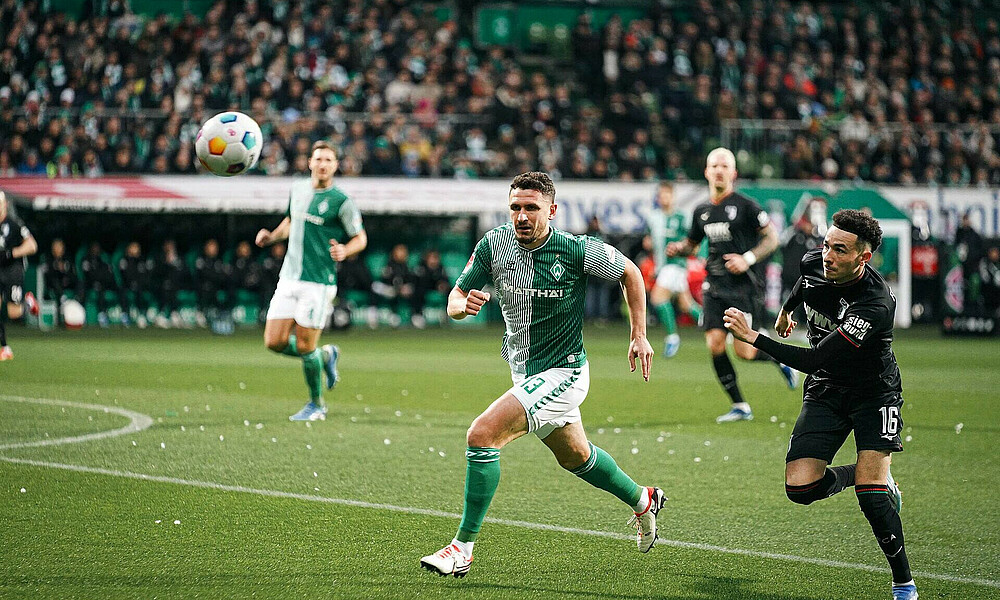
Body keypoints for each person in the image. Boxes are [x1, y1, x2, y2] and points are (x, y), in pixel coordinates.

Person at [420, 172, 663, 578]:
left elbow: (631, 274)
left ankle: (461, 548)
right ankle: (644, 499)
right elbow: (455, 297)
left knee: (482, 435)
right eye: (515, 207)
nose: (522, 216)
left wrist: (639, 335)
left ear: (551, 210)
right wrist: (462, 308)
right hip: (525, 373)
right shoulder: (493, 245)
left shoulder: (576, 250)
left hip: (564, 372)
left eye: (531, 207)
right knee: (577, 458)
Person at [722, 209, 917, 600]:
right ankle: (862, 475)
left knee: (872, 498)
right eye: (827, 244)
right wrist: (785, 312)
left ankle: (903, 583)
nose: (827, 254)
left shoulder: (874, 303)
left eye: (839, 250)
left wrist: (753, 336)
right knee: (800, 487)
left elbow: (811, 360)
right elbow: (803, 284)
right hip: (827, 389)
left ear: (863, 258)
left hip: (873, 393)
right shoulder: (815, 260)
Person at [667, 147, 797, 423]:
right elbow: (692, 245)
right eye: (714, 165)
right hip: (714, 286)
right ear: (706, 172)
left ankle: (779, 358)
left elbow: (772, 239)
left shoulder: (747, 206)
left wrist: (747, 258)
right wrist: (678, 249)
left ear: (734, 173)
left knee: (745, 351)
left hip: (743, 287)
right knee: (714, 343)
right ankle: (740, 405)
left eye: (724, 166)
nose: (718, 170)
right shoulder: (701, 211)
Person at [255, 141, 367, 422]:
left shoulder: (342, 201)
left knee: (305, 346)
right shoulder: (298, 189)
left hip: (318, 283)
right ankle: (326, 356)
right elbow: (291, 222)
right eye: (318, 159)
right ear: (309, 163)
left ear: (335, 166)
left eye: (328, 160)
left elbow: (360, 238)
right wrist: (271, 236)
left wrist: (345, 250)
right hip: (289, 277)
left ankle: (316, 405)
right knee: (273, 342)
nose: (323, 164)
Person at [648, 181, 702, 357]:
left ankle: (672, 337)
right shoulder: (654, 217)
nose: (664, 198)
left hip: (676, 265)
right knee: (686, 305)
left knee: (657, 298)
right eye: (661, 194)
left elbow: (694, 241)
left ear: (673, 196)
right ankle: (717, 324)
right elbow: (653, 240)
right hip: (663, 266)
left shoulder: (681, 217)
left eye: (667, 194)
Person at [0, 191, 38, 360]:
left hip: (12, 270)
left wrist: (12, 253)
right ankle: (5, 348)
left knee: (14, 313)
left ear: (5, 205)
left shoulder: (14, 224)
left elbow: (32, 245)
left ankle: (28, 302)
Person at [80, 241, 117, 328]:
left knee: (102, 288)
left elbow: (107, 274)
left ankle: (102, 315)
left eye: (97, 247)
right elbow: (87, 275)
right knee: (82, 287)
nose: (96, 249)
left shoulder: (102, 259)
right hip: (89, 284)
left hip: (102, 284)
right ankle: (83, 316)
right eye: (94, 247)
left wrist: (100, 280)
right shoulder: (86, 259)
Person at [411, 248, 451, 328]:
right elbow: (417, 282)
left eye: (436, 258)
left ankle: (447, 314)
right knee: (417, 291)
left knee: (450, 291)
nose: (434, 260)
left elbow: (445, 280)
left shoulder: (440, 268)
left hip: (436, 288)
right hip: (423, 288)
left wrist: (443, 285)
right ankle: (417, 314)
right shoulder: (421, 267)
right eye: (432, 258)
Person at [117, 241, 154, 328]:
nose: (136, 250)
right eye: (133, 247)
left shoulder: (142, 260)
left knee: (141, 290)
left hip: (140, 285)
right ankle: (125, 315)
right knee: (122, 291)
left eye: (137, 247)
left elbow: (145, 275)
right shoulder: (124, 260)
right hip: (127, 285)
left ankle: (141, 315)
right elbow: (126, 275)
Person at [43, 238, 79, 326]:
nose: (58, 249)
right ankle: (63, 303)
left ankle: (78, 301)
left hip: (67, 283)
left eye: (60, 247)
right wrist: (57, 268)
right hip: (53, 286)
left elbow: (73, 274)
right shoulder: (48, 258)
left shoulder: (67, 258)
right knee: (55, 282)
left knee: (80, 283)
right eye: (56, 247)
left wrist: (64, 270)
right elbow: (48, 275)